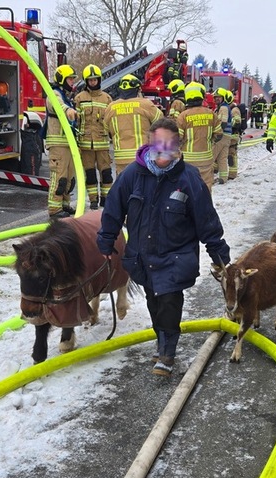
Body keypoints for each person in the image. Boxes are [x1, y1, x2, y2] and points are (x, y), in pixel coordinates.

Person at [97, 117, 231, 376]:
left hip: (175, 256)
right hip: (142, 256)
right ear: (150, 143)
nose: (163, 150)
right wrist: (105, 241)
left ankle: (167, 351)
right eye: (159, 143)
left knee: (169, 301)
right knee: (154, 301)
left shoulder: (188, 178)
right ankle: (162, 340)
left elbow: (206, 219)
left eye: (169, 144)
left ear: (177, 147)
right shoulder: (132, 176)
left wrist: (219, 253)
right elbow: (113, 210)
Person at [103, 73, 164, 177]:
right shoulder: (145, 104)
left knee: (124, 189)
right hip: (142, 158)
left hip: (121, 159)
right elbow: (161, 123)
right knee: (143, 188)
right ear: (137, 89)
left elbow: (106, 129)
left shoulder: (111, 107)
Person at [74, 64, 113, 210]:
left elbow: (111, 121)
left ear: (99, 80)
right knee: (90, 174)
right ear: (86, 81)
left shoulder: (107, 99)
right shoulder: (79, 98)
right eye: (90, 80)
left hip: (102, 143)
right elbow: (75, 122)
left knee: (106, 173)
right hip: (85, 144)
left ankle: (106, 198)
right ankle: (93, 200)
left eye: (95, 80)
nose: (92, 82)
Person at [45, 64, 79, 218]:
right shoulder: (54, 94)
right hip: (58, 144)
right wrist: (67, 110)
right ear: (62, 79)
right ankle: (54, 209)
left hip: (68, 144)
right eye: (70, 79)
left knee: (69, 177)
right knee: (59, 177)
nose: (72, 81)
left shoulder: (66, 95)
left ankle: (64, 204)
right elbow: (57, 106)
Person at [176, 81, 222, 191]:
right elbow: (219, 134)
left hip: (188, 160)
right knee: (206, 187)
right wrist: (209, 142)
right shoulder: (211, 114)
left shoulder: (183, 116)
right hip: (206, 159)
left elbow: (178, 139)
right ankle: (205, 207)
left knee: (188, 187)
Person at [211, 87, 232, 184]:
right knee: (222, 158)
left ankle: (208, 178)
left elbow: (223, 123)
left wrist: (216, 134)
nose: (216, 99)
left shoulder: (223, 108)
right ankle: (223, 178)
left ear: (223, 97)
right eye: (215, 97)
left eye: (218, 97)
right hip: (227, 136)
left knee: (211, 157)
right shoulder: (223, 107)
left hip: (222, 136)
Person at [226, 90, 243, 180]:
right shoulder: (226, 108)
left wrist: (227, 123)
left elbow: (237, 122)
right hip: (227, 135)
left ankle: (232, 174)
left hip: (233, 135)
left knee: (231, 155)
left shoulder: (234, 110)